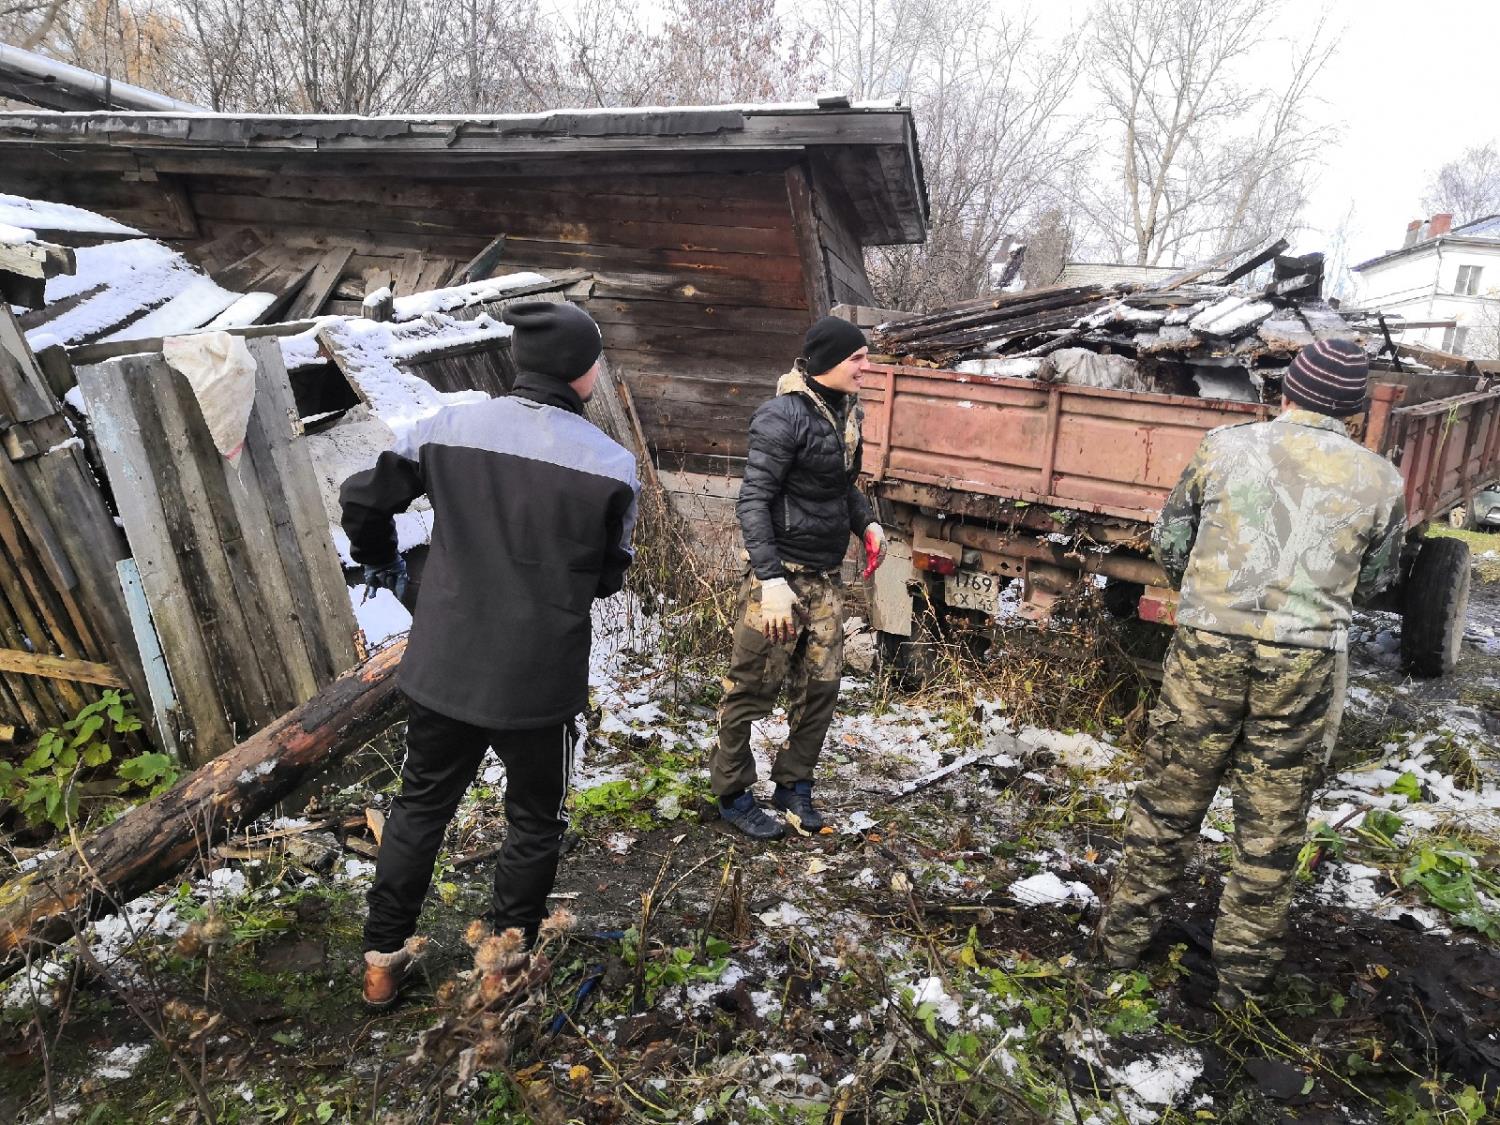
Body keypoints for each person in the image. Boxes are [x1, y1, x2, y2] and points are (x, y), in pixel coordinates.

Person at [339, 301, 639, 1008]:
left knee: (420, 805)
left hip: (445, 665)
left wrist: (388, 566)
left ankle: (381, 962)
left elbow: (361, 498)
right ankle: (503, 969)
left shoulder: (449, 429)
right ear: (584, 371)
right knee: (535, 817)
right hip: (538, 681)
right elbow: (608, 575)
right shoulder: (611, 465)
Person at [1095, 337, 1406, 1009]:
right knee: (1270, 824)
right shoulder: (1380, 479)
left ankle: (1120, 947)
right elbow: (1379, 580)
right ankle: (1240, 987)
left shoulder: (1224, 446)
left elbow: (1170, 542)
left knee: (1168, 801)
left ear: (1287, 391)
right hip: (1305, 659)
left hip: (1209, 644)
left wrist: (1212, 601)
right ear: (1352, 410)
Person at [710, 316, 887, 840]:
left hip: (826, 579)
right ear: (828, 361)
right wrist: (770, 581)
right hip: (780, 581)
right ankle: (733, 793)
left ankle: (794, 785)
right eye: (857, 358)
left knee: (821, 688)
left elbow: (841, 488)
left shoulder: (844, 414)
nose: (866, 366)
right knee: (749, 688)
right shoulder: (780, 416)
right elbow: (753, 500)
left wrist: (868, 521)